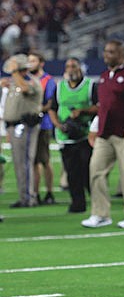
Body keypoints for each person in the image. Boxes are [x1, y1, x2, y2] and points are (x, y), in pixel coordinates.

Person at [81, 39, 124, 228]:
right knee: (95, 171)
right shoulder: (104, 76)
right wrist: (95, 128)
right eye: (105, 51)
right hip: (105, 133)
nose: (106, 55)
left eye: (111, 52)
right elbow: (104, 107)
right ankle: (101, 213)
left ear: (121, 54)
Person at [48, 57, 98, 213]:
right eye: (68, 66)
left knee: (89, 170)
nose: (71, 69)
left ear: (80, 68)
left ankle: (98, 203)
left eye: (74, 66)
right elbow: (52, 108)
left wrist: (82, 111)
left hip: (85, 134)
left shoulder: (90, 86)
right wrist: (58, 125)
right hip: (66, 136)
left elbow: (100, 107)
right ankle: (77, 204)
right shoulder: (60, 86)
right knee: (72, 172)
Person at [0, 54, 43, 207]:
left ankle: (29, 197)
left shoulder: (31, 81)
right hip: (13, 127)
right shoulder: (14, 82)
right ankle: (23, 196)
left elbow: (24, 88)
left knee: (25, 162)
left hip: (25, 126)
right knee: (19, 163)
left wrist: (14, 73)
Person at [28, 51, 57, 205]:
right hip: (30, 125)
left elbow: (51, 102)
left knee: (44, 160)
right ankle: (35, 193)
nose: (30, 63)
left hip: (43, 123)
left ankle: (50, 192)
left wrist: (38, 111)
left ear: (41, 63)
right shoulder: (27, 79)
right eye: (29, 61)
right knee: (33, 162)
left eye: (33, 61)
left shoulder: (48, 80)